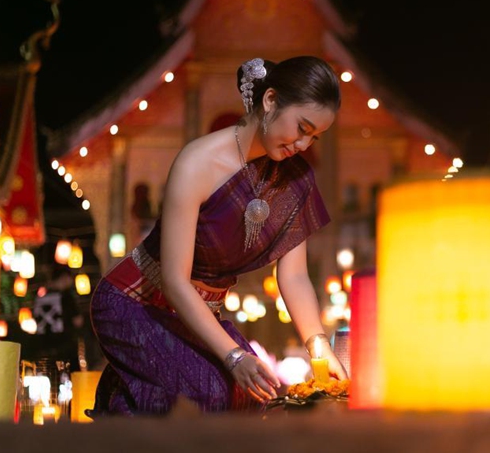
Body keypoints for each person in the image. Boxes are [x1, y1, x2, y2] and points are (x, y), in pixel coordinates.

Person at [88, 56, 348, 416]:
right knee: (214, 393)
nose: (303, 145)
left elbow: (294, 275)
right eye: (302, 128)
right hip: (134, 302)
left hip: (198, 316)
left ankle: (124, 400)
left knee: (256, 396)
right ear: (270, 100)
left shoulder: (295, 179)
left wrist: (319, 346)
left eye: (315, 136)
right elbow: (175, 281)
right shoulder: (198, 162)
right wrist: (233, 355)